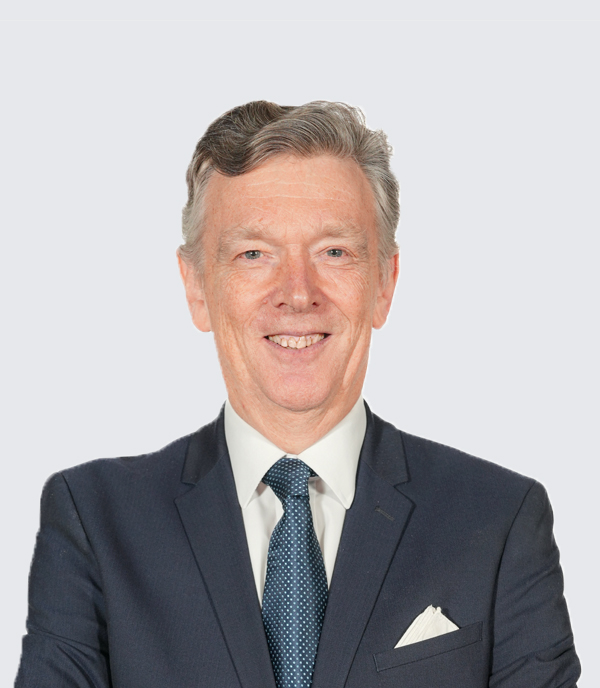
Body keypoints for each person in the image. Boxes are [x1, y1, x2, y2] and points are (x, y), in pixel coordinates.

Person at [15, 100, 580, 687]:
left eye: (334, 251)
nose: (298, 293)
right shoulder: (95, 522)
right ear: (197, 288)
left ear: (384, 283)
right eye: (253, 254)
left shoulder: (499, 521)